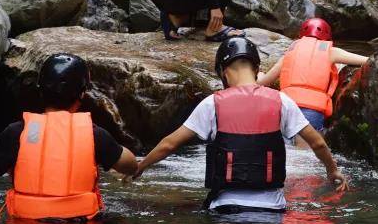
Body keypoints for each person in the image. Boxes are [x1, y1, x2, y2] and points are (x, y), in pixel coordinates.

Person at [135, 36, 347, 212]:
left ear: (223, 71)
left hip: (226, 207)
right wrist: (332, 171)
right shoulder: (282, 101)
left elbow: (169, 144)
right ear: (256, 69)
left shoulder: (212, 104)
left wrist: (140, 167)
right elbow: (317, 143)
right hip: (272, 208)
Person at [0, 54, 138, 219]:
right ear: (82, 94)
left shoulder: (17, 132)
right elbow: (131, 166)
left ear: (40, 91)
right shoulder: (94, 134)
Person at [257, 17, 369, 132]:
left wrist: (260, 74)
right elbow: (367, 60)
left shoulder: (289, 53)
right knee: (306, 148)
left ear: (302, 35)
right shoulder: (331, 51)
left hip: (285, 108)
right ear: (327, 36)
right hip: (312, 111)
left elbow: (263, 82)